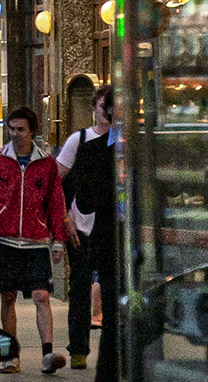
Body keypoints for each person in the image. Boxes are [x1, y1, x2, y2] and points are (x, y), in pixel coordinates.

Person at [0, 105, 69, 374]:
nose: (15, 134)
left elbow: (55, 203)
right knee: (8, 297)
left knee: (41, 295)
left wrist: (57, 239)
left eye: (21, 129)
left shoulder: (46, 164)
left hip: (36, 240)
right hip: (5, 239)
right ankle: (11, 354)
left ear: (32, 131)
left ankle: (47, 353)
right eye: (12, 129)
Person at [59, 86, 118, 376]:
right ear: (95, 107)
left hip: (111, 224)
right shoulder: (78, 140)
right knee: (80, 286)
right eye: (105, 105)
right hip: (81, 222)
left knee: (110, 289)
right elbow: (55, 179)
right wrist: (64, 218)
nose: (109, 112)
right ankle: (79, 349)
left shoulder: (121, 140)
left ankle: (110, 352)